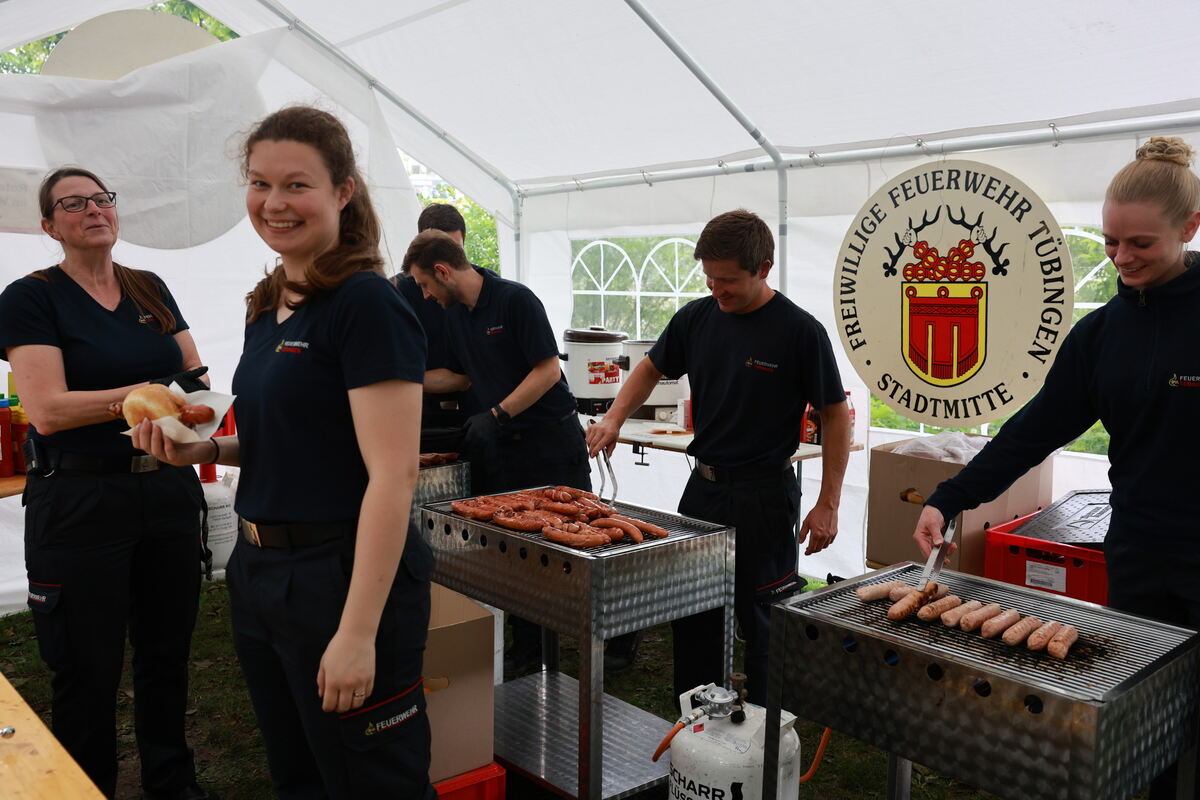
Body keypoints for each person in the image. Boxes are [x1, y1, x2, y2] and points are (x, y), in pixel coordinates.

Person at [132, 106, 435, 800]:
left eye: (297, 184)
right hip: (261, 571)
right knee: (298, 777)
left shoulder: (367, 305)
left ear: (342, 192)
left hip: (341, 574)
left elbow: (393, 474)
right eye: (260, 183)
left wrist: (357, 632)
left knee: (372, 784)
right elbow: (290, 439)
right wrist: (205, 447)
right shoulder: (268, 304)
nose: (274, 203)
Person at [911, 136, 1200, 800]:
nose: (1121, 258)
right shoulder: (1100, 335)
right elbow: (1031, 433)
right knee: (1150, 719)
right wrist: (949, 497)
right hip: (1138, 554)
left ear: (1190, 228)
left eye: (1141, 244)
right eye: (1111, 243)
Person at [0, 168, 214, 799]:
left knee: (166, 654)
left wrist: (174, 399)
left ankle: (173, 785)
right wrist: (147, 395)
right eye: (73, 204)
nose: (93, 210)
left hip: (166, 490)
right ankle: (87, 787)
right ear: (49, 226)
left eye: (101, 199)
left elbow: (196, 378)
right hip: (80, 500)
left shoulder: (149, 288)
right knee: (85, 668)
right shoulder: (31, 298)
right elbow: (48, 410)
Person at [586, 208, 851, 705]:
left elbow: (836, 415)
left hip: (764, 495)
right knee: (693, 608)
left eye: (727, 280)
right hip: (704, 489)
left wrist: (829, 502)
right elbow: (650, 368)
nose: (716, 290)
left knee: (764, 617)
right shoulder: (696, 317)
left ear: (763, 268)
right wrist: (614, 418)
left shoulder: (799, 331)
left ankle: (765, 730)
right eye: (709, 278)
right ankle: (694, 719)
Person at [401, 229, 600, 673]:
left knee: (577, 544)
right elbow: (461, 376)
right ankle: (528, 650)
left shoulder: (515, 300)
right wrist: (401, 377)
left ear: (442, 271)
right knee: (516, 550)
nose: (425, 295)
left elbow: (547, 371)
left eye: (425, 284)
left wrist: (496, 415)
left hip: (550, 442)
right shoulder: (456, 316)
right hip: (505, 448)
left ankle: (607, 636)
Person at [392, 203, 479, 435]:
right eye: (440, 254)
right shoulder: (396, 293)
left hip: (476, 413)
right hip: (420, 415)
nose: (447, 266)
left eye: (455, 251)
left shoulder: (484, 288)